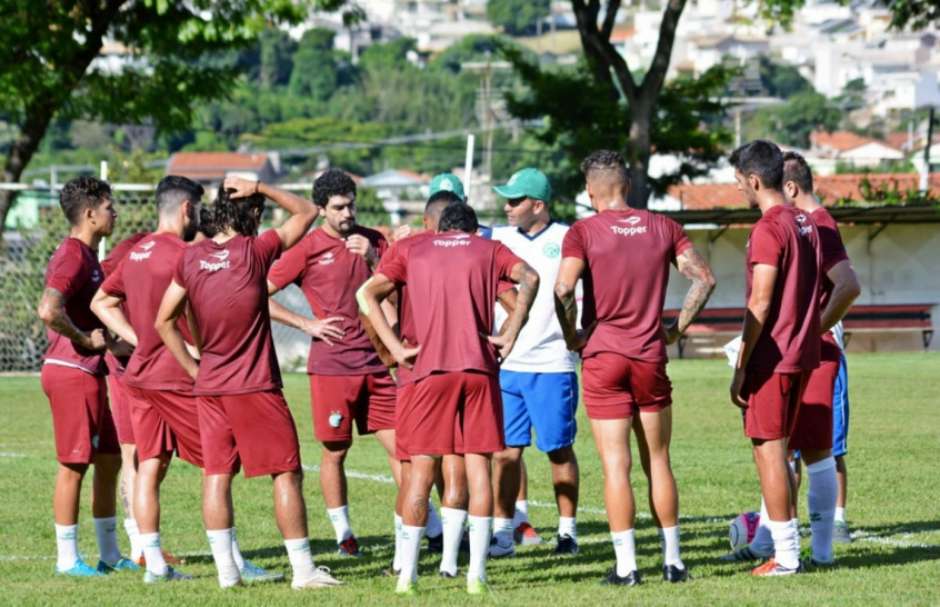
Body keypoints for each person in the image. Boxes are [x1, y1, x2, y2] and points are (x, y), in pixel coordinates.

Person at [92, 176, 281, 584]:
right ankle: (232, 562)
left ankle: (154, 565)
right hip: (177, 377)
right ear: (186, 209)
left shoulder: (137, 251)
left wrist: (136, 338)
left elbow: (101, 302)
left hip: (139, 377)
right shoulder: (186, 255)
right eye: (198, 208)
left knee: (149, 465)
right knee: (219, 466)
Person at [154, 177, 340, 589]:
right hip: (254, 385)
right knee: (287, 473)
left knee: (216, 476)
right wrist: (261, 185)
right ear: (253, 214)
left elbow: (164, 320)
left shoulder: (190, 258)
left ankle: (227, 574)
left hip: (211, 387)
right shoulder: (254, 251)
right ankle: (304, 572)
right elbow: (308, 212)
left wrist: (193, 369)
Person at [554, 150, 715, 586]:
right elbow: (703, 278)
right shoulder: (664, 227)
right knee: (658, 460)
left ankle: (627, 567)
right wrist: (676, 330)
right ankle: (674, 561)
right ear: (626, 185)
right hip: (649, 355)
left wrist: (573, 337)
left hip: (604, 357)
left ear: (592, 191)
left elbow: (564, 288)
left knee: (615, 466)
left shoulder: (583, 231)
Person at [361, 204, 540, 595]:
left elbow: (366, 294)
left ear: (437, 225)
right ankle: (476, 575)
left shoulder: (413, 248)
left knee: (420, 473)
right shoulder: (486, 249)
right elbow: (531, 278)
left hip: (426, 371)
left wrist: (393, 348)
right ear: (472, 229)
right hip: (477, 370)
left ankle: (407, 577)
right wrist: (511, 332)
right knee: (478, 469)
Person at [266, 168, 400, 557]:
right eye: (339, 207)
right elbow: (259, 292)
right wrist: (306, 323)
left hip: (378, 363)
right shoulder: (307, 249)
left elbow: (399, 287)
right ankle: (345, 535)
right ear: (322, 209)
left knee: (402, 448)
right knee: (335, 452)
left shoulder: (373, 240)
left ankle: (423, 528)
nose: (347, 213)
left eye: (351, 205)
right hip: (332, 367)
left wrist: (375, 258)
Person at [727, 140, 822, 577]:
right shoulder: (807, 222)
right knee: (780, 452)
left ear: (753, 180)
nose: (738, 191)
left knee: (769, 453)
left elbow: (761, 302)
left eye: (738, 183)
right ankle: (784, 549)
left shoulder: (768, 228)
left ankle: (785, 556)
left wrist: (742, 362)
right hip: (803, 352)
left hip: (773, 357)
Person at [36, 176, 137, 576]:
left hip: (91, 371)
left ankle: (110, 554)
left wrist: (110, 344)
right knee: (74, 464)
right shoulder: (72, 255)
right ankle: (66, 560)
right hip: (70, 371)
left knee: (109, 458)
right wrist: (84, 339)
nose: (116, 212)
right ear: (90, 213)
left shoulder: (89, 256)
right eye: (110, 206)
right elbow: (48, 309)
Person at [488, 167, 581, 557]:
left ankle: (567, 532)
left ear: (538, 205)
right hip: (508, 365)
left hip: (553, 363)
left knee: (558, 450)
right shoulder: (496, 238)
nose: (507, 207)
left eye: (515, 200)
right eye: (506, 199)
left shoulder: (568, 239)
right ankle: (504, 532)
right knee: (507, 453)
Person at [783, 152, 860, 561]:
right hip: (800, 350)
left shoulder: (820, 224)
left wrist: (816, 327)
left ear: (791, 187)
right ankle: (787, 524)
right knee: (797, 445)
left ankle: (838, 520)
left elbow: (848, 285)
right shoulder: (799, 225)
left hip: (824, 349)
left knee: (828, 444)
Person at [99, 230, 148, 565]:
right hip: (126, 368)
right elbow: (95, 301)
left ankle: (143, 544)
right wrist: (115, 341)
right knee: (135, 455)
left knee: (147, 457)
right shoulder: (129, 253)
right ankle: (141, 546)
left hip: (151, 366)